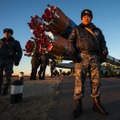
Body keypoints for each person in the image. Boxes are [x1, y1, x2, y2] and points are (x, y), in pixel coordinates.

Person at [68, 9, 109, 118]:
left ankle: (96, 104)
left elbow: (103, 43)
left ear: (91, 18)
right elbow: (71, 41)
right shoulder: (76, 29)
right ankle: (78, 106)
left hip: (95, 57)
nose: (86, 17)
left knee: (96, 82)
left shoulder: (97, 31)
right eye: (84, 16)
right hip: (81, 57)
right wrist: (72, 53)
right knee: (79, 82)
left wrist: (104, 52)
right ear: (82, 18)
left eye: (88, 16)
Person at [0, 28, 22, 95]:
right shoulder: (0, 41)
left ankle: (5, 90)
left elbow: (19, 52)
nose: (6, 33)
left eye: (8, 32)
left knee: (7, 77)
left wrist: (17, 59)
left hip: (9, 61)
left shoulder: (15, 42)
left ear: (11, 34)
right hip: (0, 60)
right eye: (5, 32)